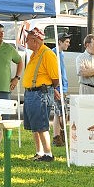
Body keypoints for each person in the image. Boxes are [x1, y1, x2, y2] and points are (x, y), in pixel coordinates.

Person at [22, 27, 59, 162]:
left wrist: (50, 89)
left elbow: (55, 78)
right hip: (32, 93)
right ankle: (40, 152)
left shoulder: (47, 54)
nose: (26, 42)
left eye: (27, 39)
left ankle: (48, 154)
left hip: (40, 94)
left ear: (35, 40)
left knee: (41, 125)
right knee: (35, 125)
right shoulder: (35, 53)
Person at [52, 32, 71, 147]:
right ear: (60, 42)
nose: (68, 44)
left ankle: (57, 136)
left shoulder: (61, 53)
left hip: (62, 86)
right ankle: (60, 135)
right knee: (62, 113)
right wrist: (56, 88)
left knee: (58, 112)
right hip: (58, 88)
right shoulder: (54, 54)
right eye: (67, 42)